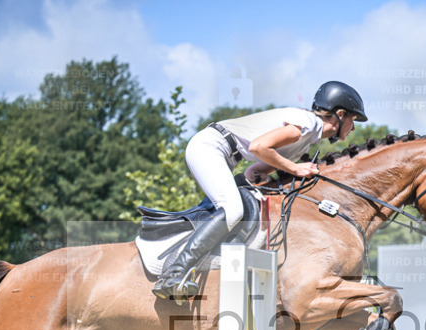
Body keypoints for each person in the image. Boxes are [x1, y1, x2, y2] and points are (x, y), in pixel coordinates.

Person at [152, 81, 369, 301]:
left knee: (243, 207)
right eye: (353, 119)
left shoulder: (304, 144)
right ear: (340, 114)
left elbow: (254, 171)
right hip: (210, 146)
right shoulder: (306, 123)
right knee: (233, 210)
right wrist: (295, 168)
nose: (353, 127)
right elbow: (258, 147)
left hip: (226, 155)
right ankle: (174, 273)